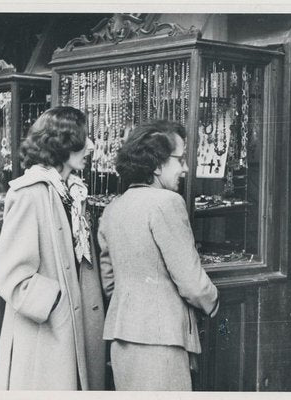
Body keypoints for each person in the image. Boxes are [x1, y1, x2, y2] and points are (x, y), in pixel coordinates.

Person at [98, 120, 219, 391]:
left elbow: (109, 282)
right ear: (156, 164)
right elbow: (192, 283)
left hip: (122, 339)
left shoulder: (113, 209)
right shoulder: (168, 203)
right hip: (162, 342)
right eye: (180, 159)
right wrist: (214, 302)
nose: (185, 168)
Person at [0, 106, 105, 390]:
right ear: (62, 143)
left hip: (73, 332)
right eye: (84, 138)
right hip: (48, 336)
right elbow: (10, 274)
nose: (90, 146)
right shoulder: (29, 193)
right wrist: (56, 303)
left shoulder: (72, 192)